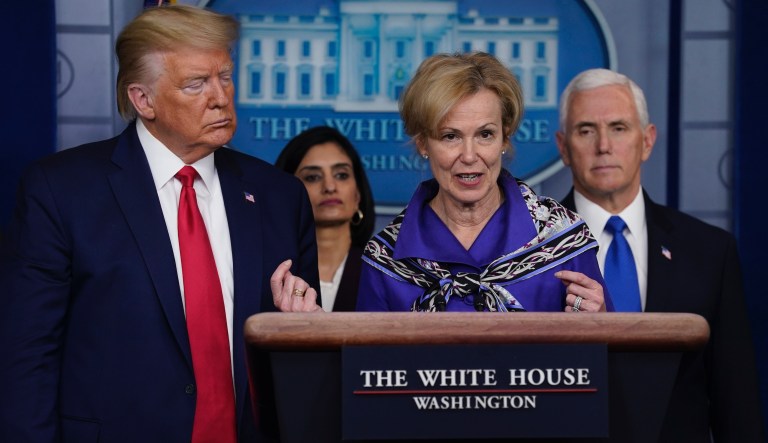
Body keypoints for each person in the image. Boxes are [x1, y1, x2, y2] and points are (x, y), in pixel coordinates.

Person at [0, 5, 320, 443]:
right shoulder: (61, 191)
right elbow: (28, 357)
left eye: (225, 76)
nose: (220, 97)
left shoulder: (280, 197)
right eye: (196, 83)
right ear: (143, 100)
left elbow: (306, 360)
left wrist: (303, 330)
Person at [556, 68, 764, 441]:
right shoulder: (530, 252)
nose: (604, 145)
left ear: (647, 141)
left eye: (619, 128)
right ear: (563, 147)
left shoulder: (711, 252)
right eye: (586, 130)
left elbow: (737, 405)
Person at [356, 52, 612, 313]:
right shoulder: (384, 257)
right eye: (450, 136)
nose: (469, 156)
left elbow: (608, 349)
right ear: (423, 143)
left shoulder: (563, 239)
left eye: (485, 134)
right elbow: (369, 355)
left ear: (504, 139)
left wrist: (601, 324)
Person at [275, 126, 375, 312]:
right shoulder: (273, 273)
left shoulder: (383, 273)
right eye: (312, 177)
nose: (329, 186)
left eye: (341, 175)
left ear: (358, 195)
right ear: (286, 193)